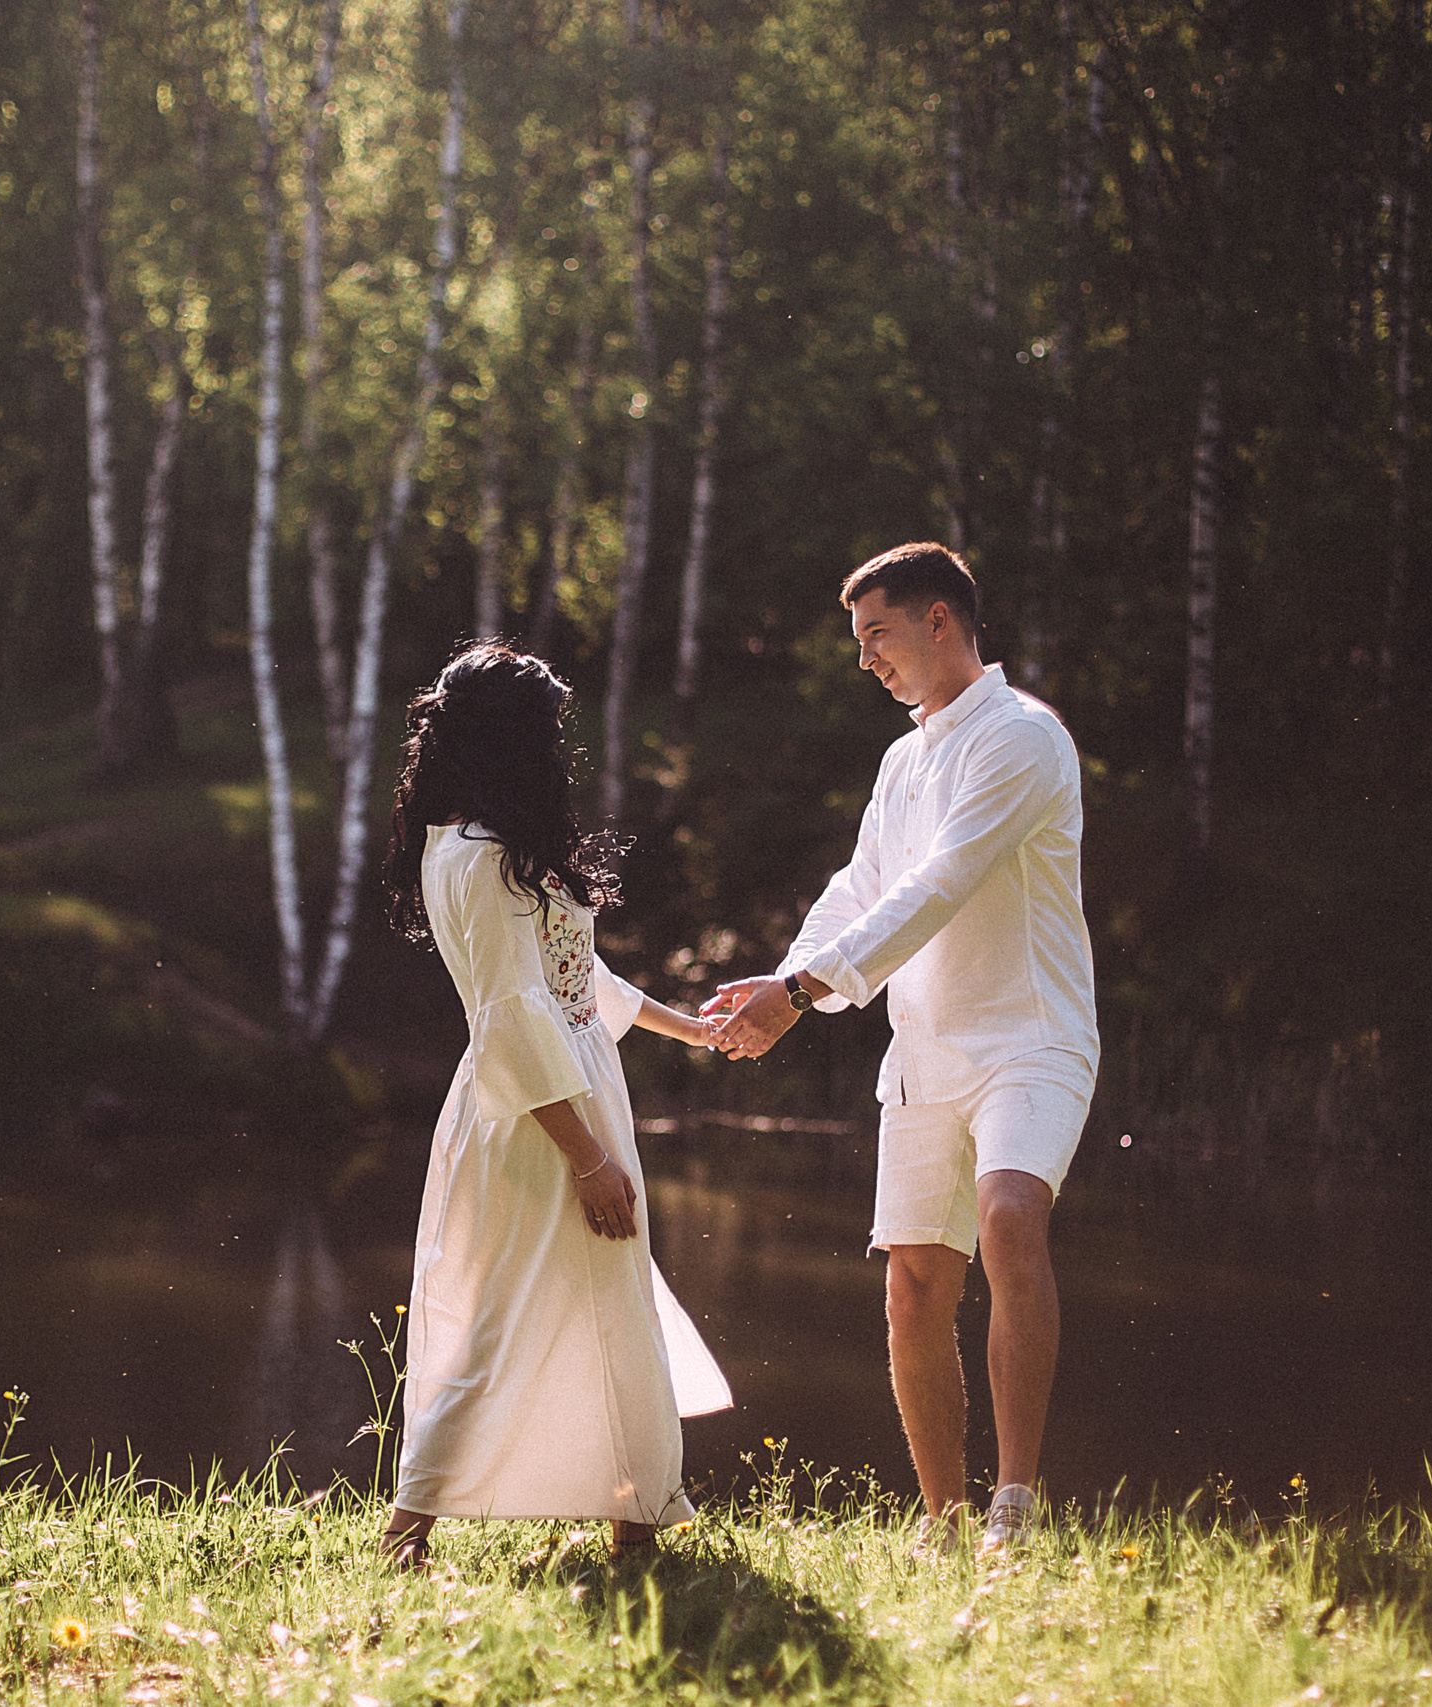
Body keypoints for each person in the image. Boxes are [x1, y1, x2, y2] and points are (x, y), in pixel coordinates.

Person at [706, 542, 1097, 1554]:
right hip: (924, 1048)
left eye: (876, 634)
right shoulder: (901, 757)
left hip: (1031, 1035)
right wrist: (779, 976)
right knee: (914, 1284)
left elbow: (939, 886)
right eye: (859, 640)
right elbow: (864, 885)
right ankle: (944, 1520)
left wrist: (802, 993)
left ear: (938, 621)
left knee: (1010, 1218)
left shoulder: (1021, 739)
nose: (866, 658)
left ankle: (1012, 1503)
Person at [378, 642, 733, 1569]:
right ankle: (407, 1529)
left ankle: (635, 1517)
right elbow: (508, 1016)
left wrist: (688, 1029)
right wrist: (586, 1156)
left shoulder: (472, 846)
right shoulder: (483, 859)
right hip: (540, 1111)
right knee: (503, 1311)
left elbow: (578, 979)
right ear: (515, 738)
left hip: (560, 1090)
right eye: (547, 729)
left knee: (606, 1299)